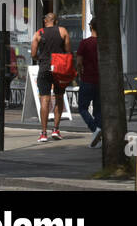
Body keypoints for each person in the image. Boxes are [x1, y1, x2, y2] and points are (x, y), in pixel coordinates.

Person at [30, 12, 70, 143]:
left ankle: (43, 133)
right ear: (56, 21)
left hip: (45, 68)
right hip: (59, 68)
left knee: (45, 100)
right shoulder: (63, 31)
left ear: (45, 21)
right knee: (59, 98)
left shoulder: (38, 33)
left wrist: (41, 59)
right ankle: (56, 130)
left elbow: (34, 53)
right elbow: (68, 51)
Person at [74, 18, 102, 147]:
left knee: (82, 108)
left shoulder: (84, 43)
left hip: (87, 80)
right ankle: (98, 135)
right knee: (98, 110)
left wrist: (79, 74)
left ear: (91, 27)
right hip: (100, 80)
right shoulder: (104, 43)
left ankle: (95, 129)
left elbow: (79, 62)